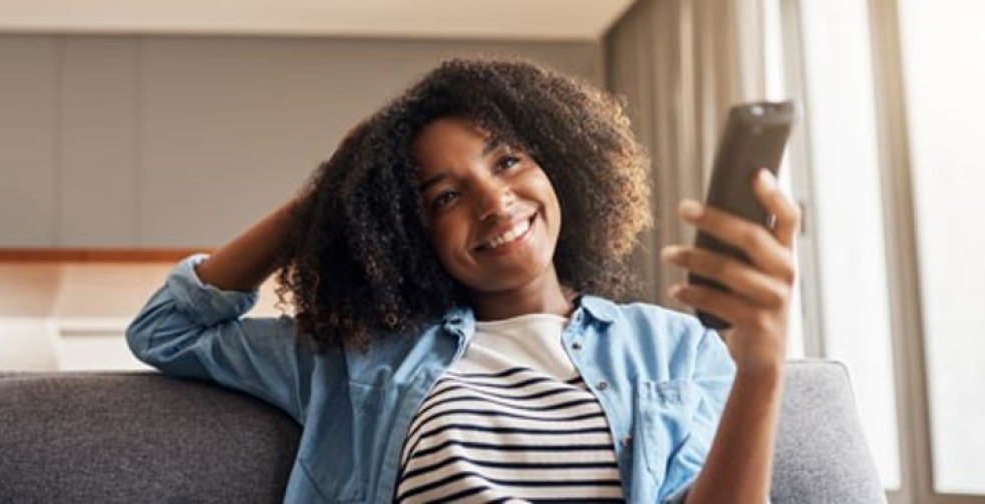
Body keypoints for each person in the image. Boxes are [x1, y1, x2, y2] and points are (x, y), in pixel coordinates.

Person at [128, 58, 798, 503]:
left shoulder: (675, 349)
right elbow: (167, 329)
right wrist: (326, 195)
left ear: (557, 164)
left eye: (507, 160)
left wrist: (761, 371)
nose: (493, 201)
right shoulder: (357, 357)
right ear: (406, 232)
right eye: (443, 197)